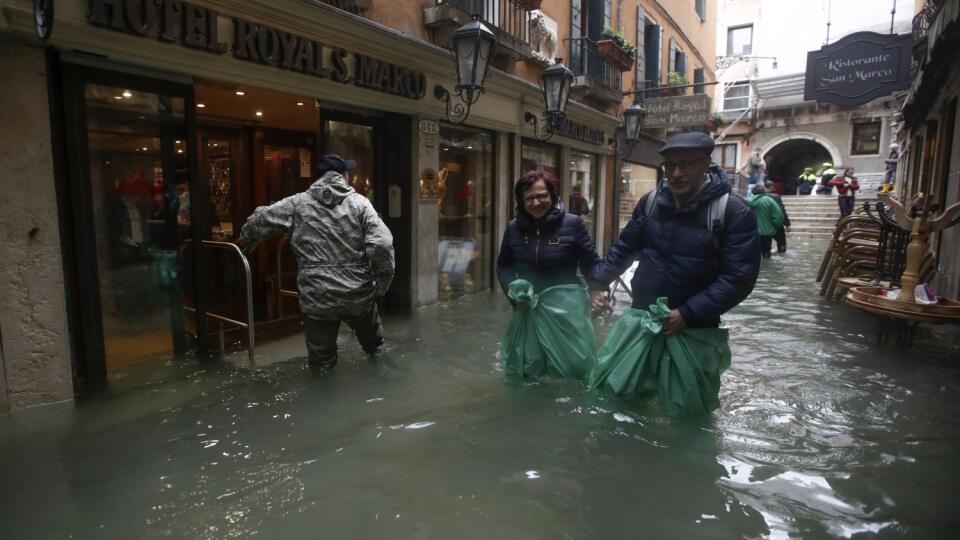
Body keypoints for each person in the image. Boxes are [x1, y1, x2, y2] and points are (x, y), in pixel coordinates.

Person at [589, 132, 761, 335]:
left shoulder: (733, 211)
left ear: (706, 163)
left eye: (686, 165)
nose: (676, 173)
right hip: (643, 317)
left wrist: (687, 314)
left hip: (696, 328)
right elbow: (625, 248)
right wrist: (599, 283)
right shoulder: (651, 202)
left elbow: (738, 279)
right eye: (670, 166)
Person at [237, 154, 395, 371]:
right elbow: (383, 243)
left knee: (322, 364)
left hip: (317, 297)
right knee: (376, 349)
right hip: (357, 295)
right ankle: (385, 383)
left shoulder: (297, 203)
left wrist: (248, 238)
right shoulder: (361, 204)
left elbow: (260, 220)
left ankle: (324, 396)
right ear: (344, 176)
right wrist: (383, 282)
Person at [496, 170, 603, 378]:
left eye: (542, 195)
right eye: (529, 198)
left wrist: (598, 289)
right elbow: (503, 266)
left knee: (575, 372)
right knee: (527, 371)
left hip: (566, 313)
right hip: (526, 308)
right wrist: (513, 293)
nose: (536, 202)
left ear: (552, 195)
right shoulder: (513, 228)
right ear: (521, 201)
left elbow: (591, 263)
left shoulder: (572, 224)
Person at [748, 184, 785, 258]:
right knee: (766, 254)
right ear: (763, 191)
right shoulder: (769, 201)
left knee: (753, 254)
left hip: (751, 233)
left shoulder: (747, 201)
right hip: (766, 233)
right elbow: (778, 216)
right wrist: (776, 226)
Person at [764, 181, 790, 253]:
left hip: (764, 225)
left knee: (765, 247)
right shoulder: (775, 197)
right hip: (776, 224)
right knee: (781, 243)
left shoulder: (760, 197)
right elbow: (782, 210)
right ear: (772, 187)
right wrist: (787, 224)